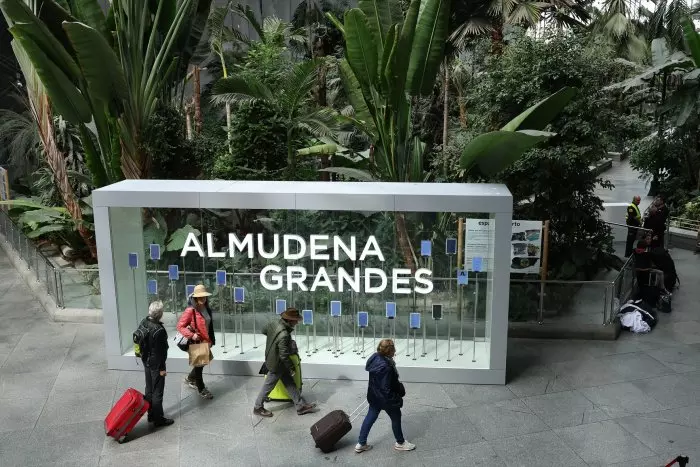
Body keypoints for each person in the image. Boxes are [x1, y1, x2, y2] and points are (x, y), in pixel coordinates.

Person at [355, 339, 415, 454]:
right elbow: (385, 388)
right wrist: (396, 400)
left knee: (370, 417)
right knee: (396, 417)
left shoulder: (375, 358)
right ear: (390, 351)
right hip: (386, 399)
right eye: (394, 349)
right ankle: (400, 443)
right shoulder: (387, 367)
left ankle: (361, 443)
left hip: (374, 396)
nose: (395, 352)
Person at [253, 308, 315, 417]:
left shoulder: (273, 323)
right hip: (277, 363)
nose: (297, 322)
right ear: (290, 320)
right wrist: (291, 368)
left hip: (274, 359)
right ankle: (257, 407)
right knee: (268, 385)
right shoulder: (284, 334)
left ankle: (300, 406)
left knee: (289, 383)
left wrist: (273, 339)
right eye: (296, 320)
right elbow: (284, 355)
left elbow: (263, 330)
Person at [177, 284, 215, 399]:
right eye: (200, 297)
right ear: (195, 297)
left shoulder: (207, 308)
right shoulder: (190, 310)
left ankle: (190, 378)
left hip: (205, 341)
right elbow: (180, 326)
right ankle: (201, 389)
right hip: (196, 342)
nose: (203, 299)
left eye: (204, 296)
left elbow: (210, 326)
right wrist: (192, 335)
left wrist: (211, 340)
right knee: (199, 366)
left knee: (202, 363)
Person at [142, 300, 174, 427]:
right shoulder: (159, 330)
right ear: (160, 314)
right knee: (158, 391)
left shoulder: (144, 322)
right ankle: (158, 419)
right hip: (156, 364)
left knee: (149, 388)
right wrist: (162, 368)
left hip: (146, 361)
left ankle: (150, 414)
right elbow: (162, 352)